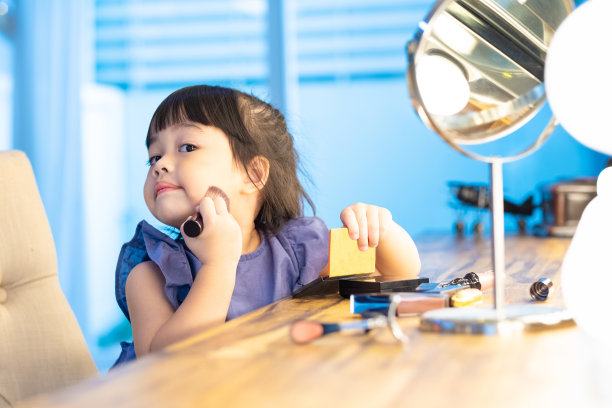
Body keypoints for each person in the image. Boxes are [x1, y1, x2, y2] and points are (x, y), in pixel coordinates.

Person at [113, 85, 421, 366]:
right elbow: (164, 364)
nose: (160, 165)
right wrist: (218, 265)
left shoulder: (296, 249)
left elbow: (399, 276)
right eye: (153, 156)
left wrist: (381, 229)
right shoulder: (150, 273)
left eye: (187, 147)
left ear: (253, 174)